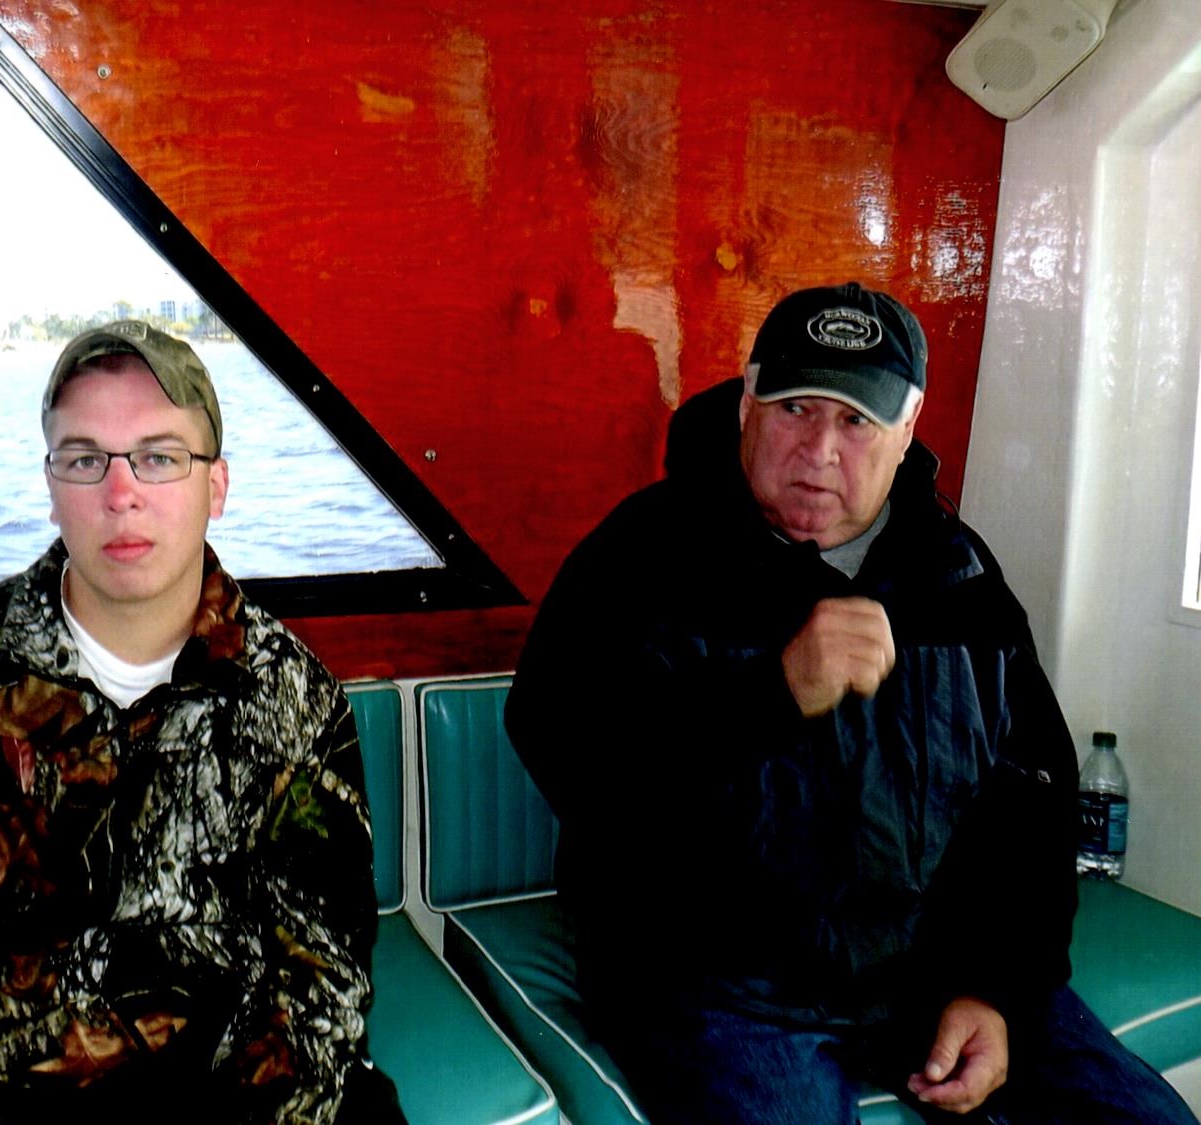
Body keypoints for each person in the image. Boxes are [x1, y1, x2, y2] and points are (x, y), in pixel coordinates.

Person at [505, 283, 1197, 1122]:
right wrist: (769, 696)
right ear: (748, 405)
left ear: (907, 432)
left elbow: (1028, 805)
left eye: (857, 420)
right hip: (718, 979)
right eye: (795, 407)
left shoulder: (960, 578)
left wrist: (993, 987)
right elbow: (570, 753)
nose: (819, 449)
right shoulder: (643, 555)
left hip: (931, 965)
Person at [0, 320, 401, 1123]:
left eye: (159, 457)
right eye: (86, 459)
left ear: (216, 486)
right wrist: (49, 1042)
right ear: (51, 484)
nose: (121, 494)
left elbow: (325, 965)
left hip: (220, 1098)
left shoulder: (293, 696)